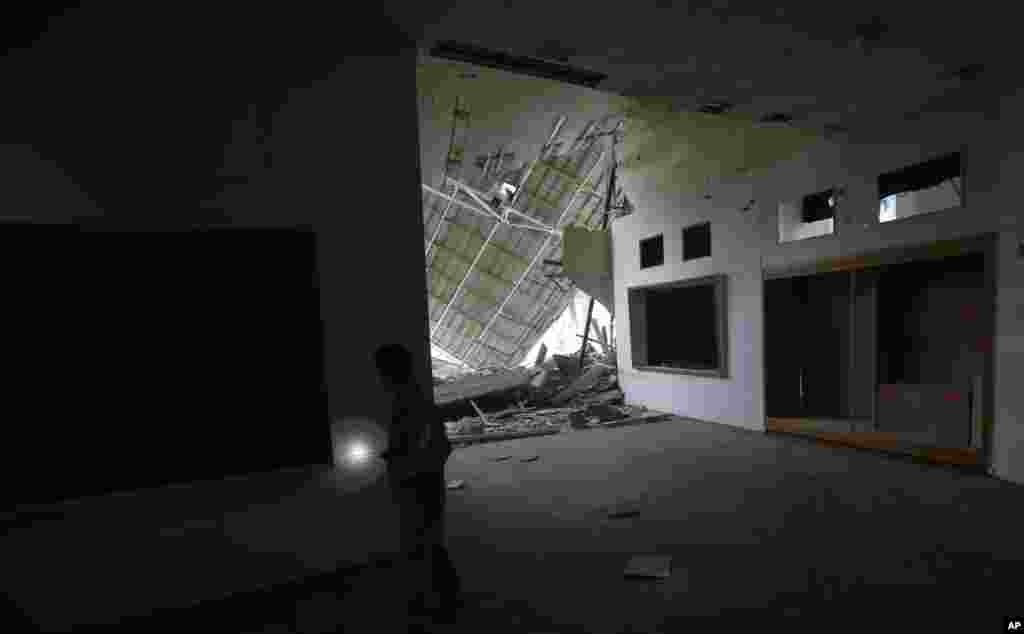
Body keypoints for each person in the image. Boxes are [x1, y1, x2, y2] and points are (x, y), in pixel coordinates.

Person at [373, 343, 462, 622]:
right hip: (421, 482)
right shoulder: (411, 401)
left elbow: (436, 448)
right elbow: (433, 447)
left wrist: (407, 464)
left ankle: (441, 604)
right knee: (427, 545)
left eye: (381, 372)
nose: (379, 378)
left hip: (418, 487)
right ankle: (441, 599)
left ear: (388, 373)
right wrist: (400, 455)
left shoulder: (410, 405)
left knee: (424, 546)